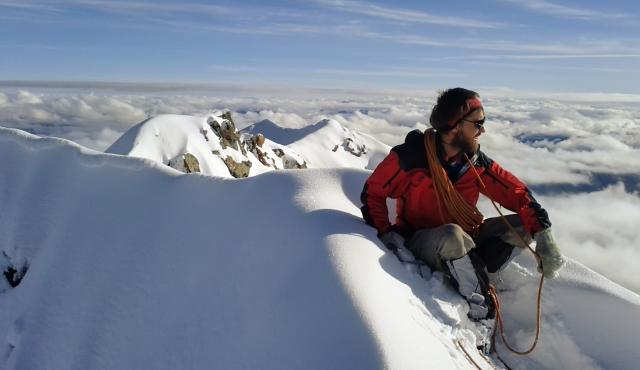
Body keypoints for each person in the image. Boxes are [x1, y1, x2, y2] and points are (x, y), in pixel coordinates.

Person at [360, 88, 565, 321]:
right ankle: (481, 309)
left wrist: (543, 232)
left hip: (466, 236)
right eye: (478, 123)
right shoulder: (411, 158)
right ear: (455, 125)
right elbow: (372, 193)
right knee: (452, 235)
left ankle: (476, 272)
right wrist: (386, 232)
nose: (482, 130)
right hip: (422, 240)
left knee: (521, 224)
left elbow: (516, 192)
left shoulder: (474, 161)